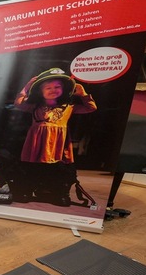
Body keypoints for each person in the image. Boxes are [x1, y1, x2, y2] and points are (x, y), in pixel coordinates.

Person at [12, 68, 97, 206]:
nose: (53, 90)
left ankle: (59, 193)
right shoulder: (34, 106)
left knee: (59, 169)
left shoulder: (69, 107)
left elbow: (91, 108)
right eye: (48, 87)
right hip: (37, 143)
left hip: (58, 143)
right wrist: (27, 86)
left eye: (57, 87)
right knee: (31, 167)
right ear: (40, 91)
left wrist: (84, 94)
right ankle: (27, 190)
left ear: (64, 89)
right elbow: (18, 103)